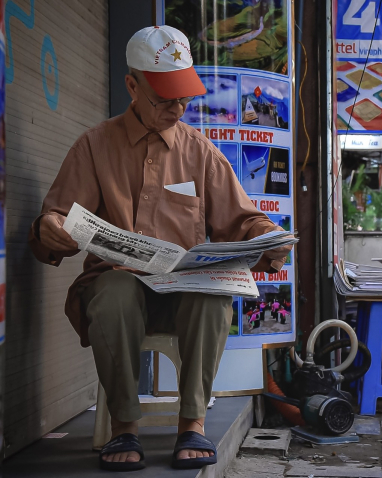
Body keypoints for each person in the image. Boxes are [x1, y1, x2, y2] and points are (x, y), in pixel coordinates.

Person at [28, 26, 293, 471]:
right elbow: (53, 218)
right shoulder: (94, 146)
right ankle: (123, 428)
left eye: (183, 98)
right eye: (164, 99)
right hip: (117, 288)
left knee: (213, 295)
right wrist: (49, 228)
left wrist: (269, 236)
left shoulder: (200, 151)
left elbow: (243, 218)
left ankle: (193, 424)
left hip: (183, 292)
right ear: (132, 86)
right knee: (113, 293)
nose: (177, 108)